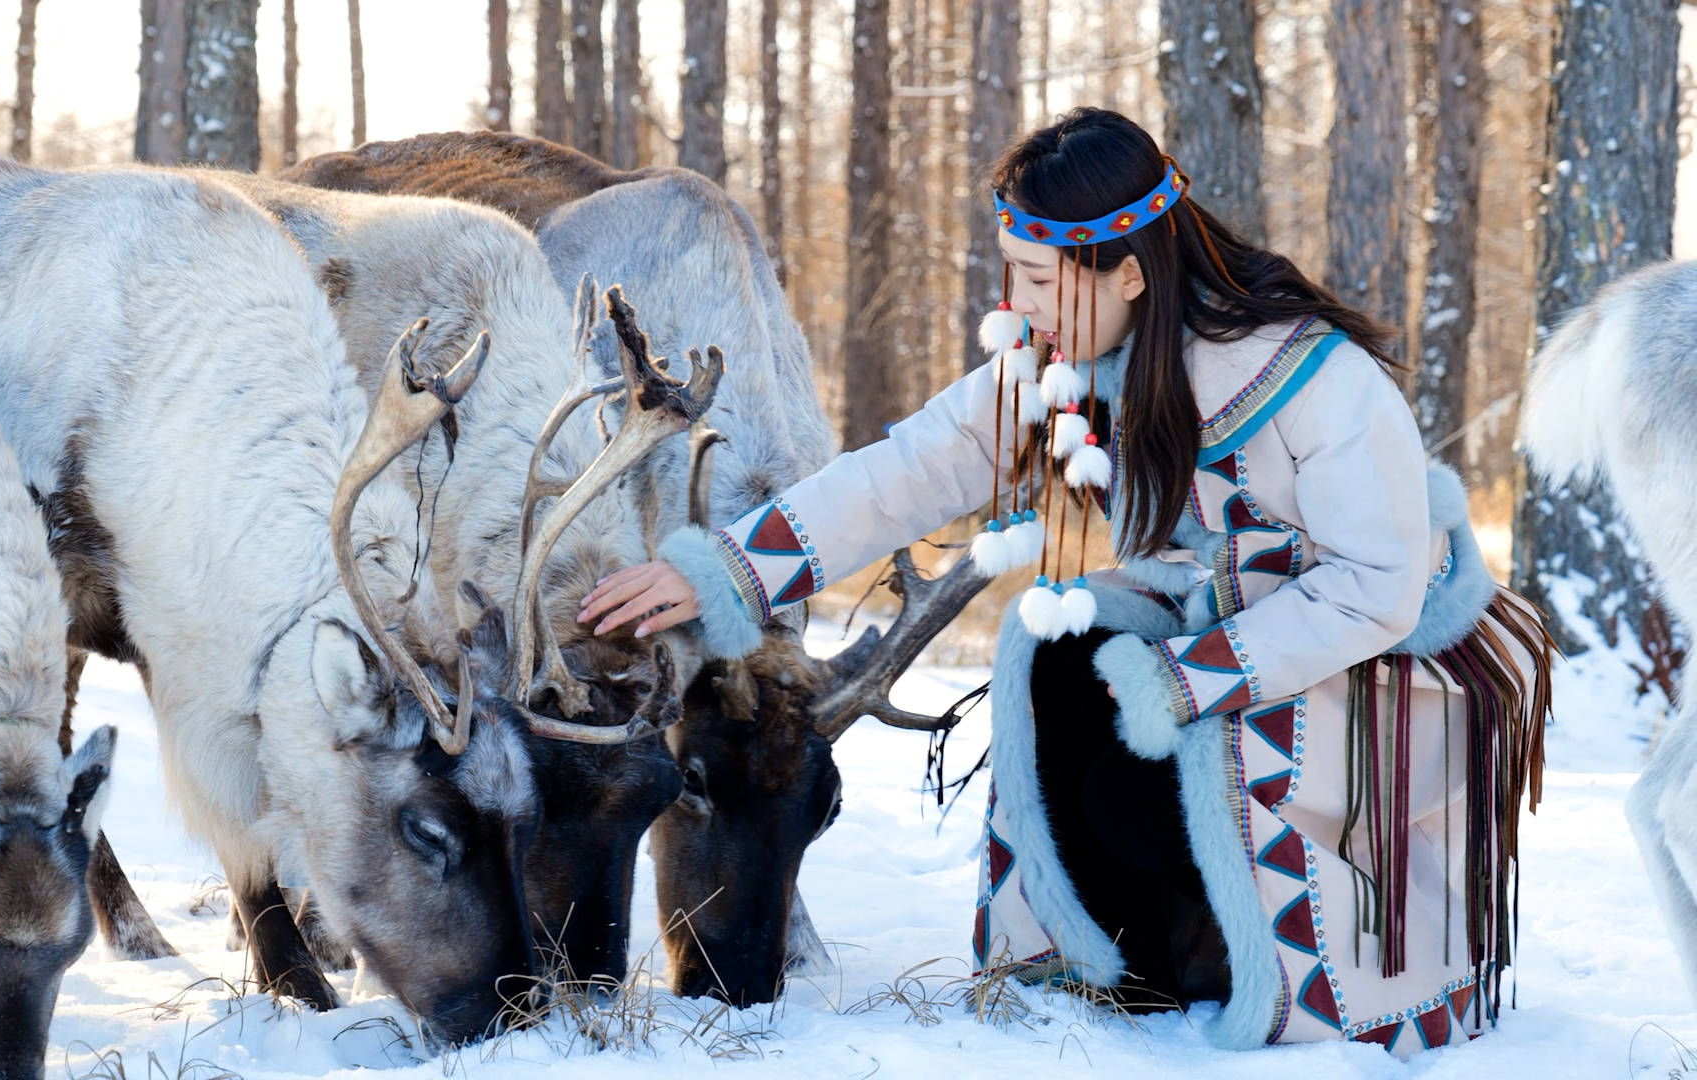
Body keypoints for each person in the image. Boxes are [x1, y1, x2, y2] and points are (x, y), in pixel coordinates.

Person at [579, 107, 1550, 1057]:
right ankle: (1131, 961)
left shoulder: (1317, 380)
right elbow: (913, 467)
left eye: (1039, 279)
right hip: (1218, 617)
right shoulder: (1066, 363)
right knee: (1059, 667)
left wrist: (1186, 680)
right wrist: (733, 568)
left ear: (1128, 271)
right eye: (1016, 273)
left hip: (1374, 653)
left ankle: (1263, 960)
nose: (1019, 304)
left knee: (1144, 789)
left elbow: (1375, 588)